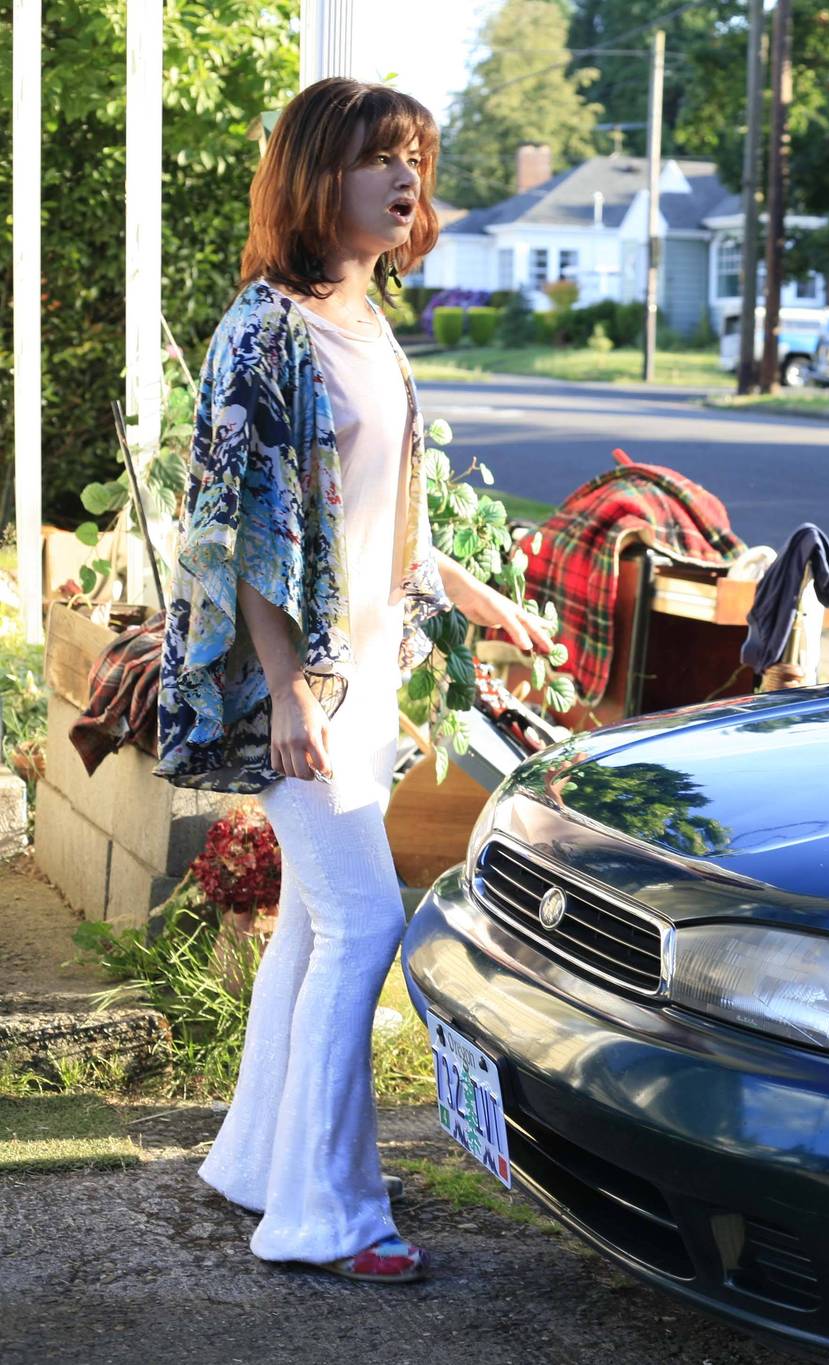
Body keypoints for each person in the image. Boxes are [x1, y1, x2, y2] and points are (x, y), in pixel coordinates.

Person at [154, 78, 559, 1284]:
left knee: (319, 928)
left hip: (365, 674)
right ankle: (326, 1216)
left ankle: (255, 1165)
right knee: (366, 922)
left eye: (416, 159)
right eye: (379, 157)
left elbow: (383, 522)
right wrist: (287, 692)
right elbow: (236, 534)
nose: (406, 180)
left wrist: (479, 601)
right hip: (306, 688)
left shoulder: (367, 318)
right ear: (313, 177)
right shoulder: (263, 331)